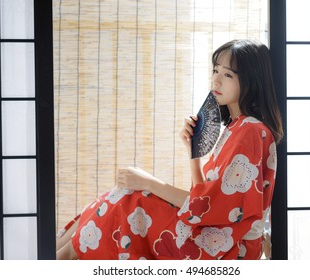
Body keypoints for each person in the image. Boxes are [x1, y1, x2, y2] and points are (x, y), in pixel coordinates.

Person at [56, 39, 283, 260]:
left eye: (228, 75)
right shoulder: (236, 127)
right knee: (118, 196)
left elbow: (211, 208)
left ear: (252, 81)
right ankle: (54, 251)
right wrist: (193, 152)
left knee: (128, 199)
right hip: (215, 237)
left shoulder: (251, 131)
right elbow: (204, 199)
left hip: (228, 249)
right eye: (215, 71)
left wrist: (149, 183)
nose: (216, 80)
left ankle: (57, 256)